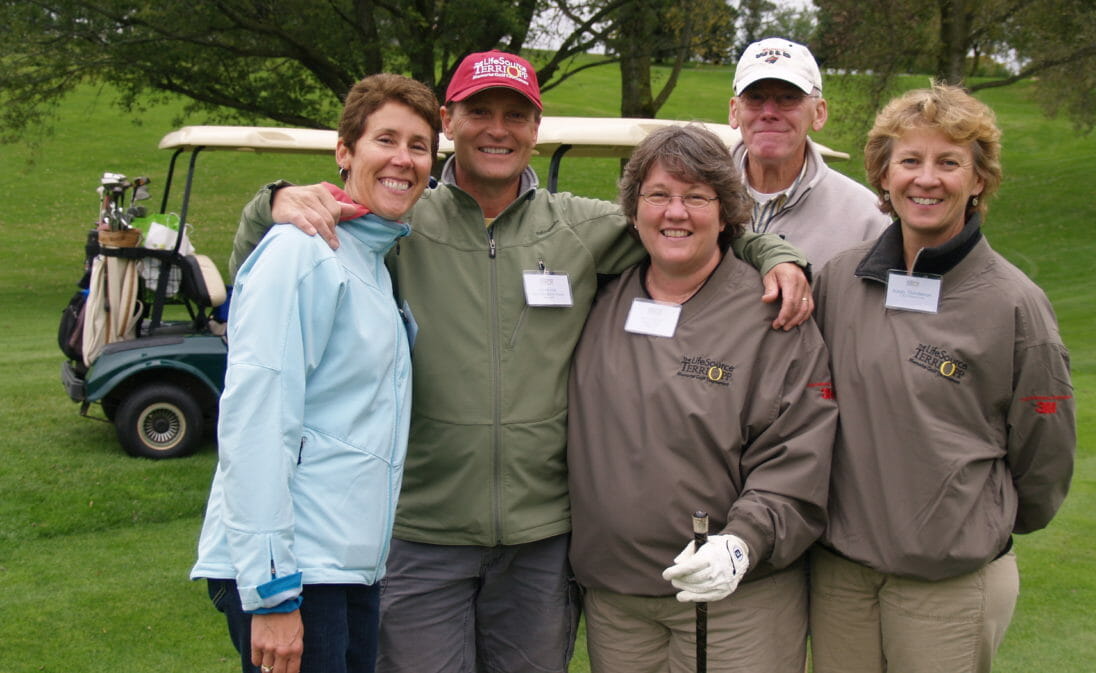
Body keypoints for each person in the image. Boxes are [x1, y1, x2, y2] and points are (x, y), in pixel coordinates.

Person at [230, 51, 814, 673]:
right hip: (421, 530)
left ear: (537, 129)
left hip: (541, 541)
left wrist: (776, 254)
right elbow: (265, 263)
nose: (498, 129)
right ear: (450, 122)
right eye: (479, 111)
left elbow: (686, 216)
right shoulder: (396, 218)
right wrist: (272, 202)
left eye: (516, 114)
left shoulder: (579, 227)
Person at [809, 84, 1076, 673]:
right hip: (841, 578)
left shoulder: (1014, 305)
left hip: (949, 582)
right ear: (883, 175)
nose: (926, 179)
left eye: (949, 162)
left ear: (978, 181)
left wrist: (978, 523)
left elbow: (1045, 448)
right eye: (909, 160)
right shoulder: (836, 281)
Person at [191, 73, 439, 673]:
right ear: (345, 151)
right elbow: (257, 421)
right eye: (386, 139)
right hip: (296, 571)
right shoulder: (303, 251)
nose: (403, 160)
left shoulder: (372, 260)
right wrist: (273, 590)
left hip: (348, 565)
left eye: (419, 146)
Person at [566, 125, 837, 673]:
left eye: (696, 196)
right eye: (659, 195)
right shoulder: (596, 296)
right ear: (634, 206)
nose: (676, 213)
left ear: (725, 209)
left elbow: (799, 451)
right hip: (617, 600)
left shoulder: (772, 312)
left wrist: (742, 543)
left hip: (735, 602)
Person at [729, 37, 890, 269]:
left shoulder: (866, 218)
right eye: (755, 97)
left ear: (819, 113)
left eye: (788, 98)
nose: (769, 112)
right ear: (734, 111)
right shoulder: (695, 200)